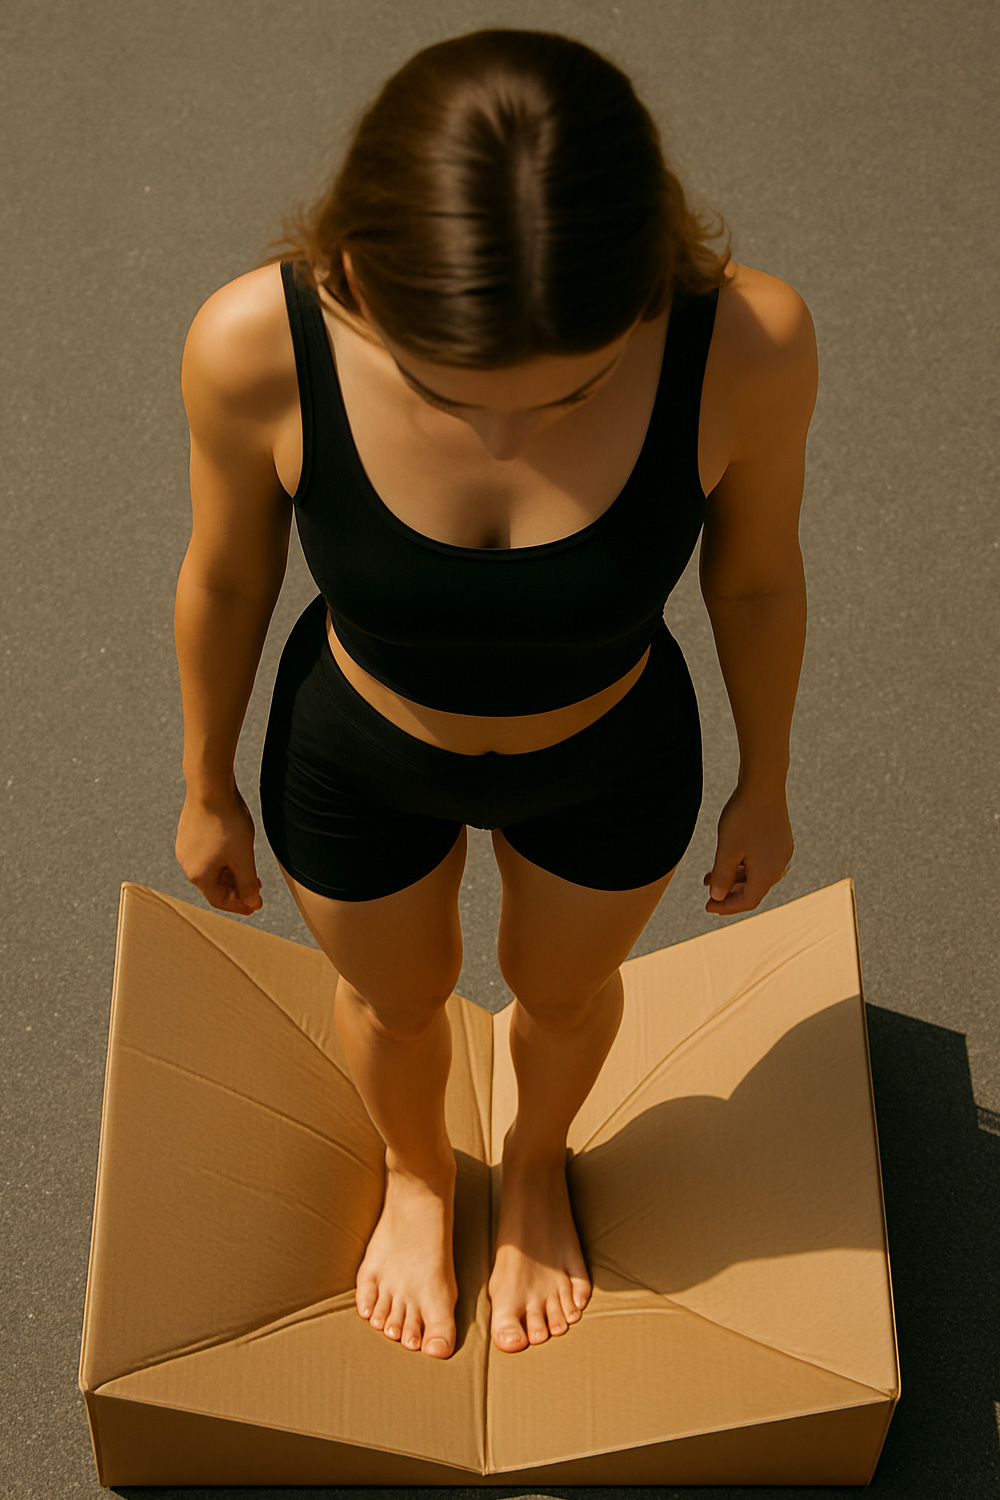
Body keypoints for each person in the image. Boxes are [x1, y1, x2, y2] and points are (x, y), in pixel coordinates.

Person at [173, 28, 816, 1363]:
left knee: (564, 997)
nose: (510, 440)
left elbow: (756, 583)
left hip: (611, 756)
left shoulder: (750, 343)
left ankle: (532, 1167)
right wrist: (205, 784)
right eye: (442, 392)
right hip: (357, 754)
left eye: (573, 394)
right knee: (397, 1005)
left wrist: (768, 781)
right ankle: (417, 1174)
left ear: (647, 285)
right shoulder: (254, 344)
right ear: (357, 276)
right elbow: (227, 578)